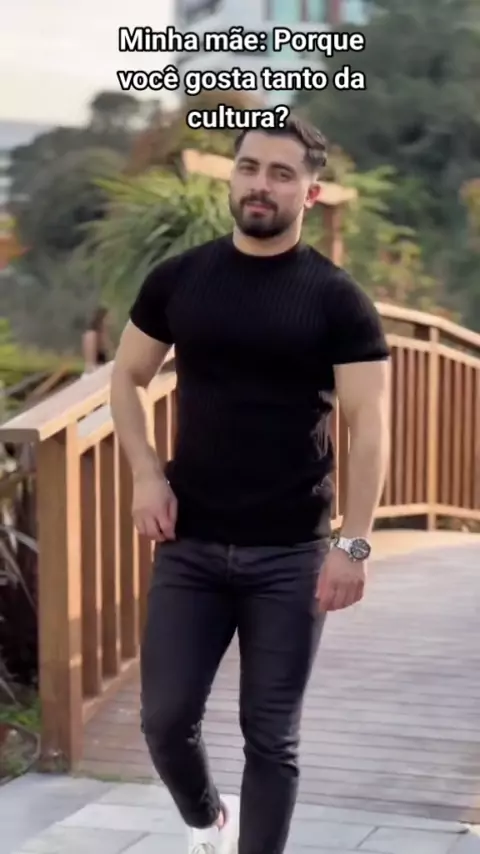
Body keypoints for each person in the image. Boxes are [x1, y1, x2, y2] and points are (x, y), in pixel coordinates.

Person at [110, 116, 391, 854]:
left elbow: (368, 425)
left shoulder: (337, 299)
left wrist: (354, 545)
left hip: (292, 554)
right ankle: (208, 820)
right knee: (164, 720)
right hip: (190, 543)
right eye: (249, 167)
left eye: (281, 173)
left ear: (310, 192)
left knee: (271, 737)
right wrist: (145, 474)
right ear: (232, 176)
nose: (261, 185)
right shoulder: (180, 279)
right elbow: (128, 376)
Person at [81, 305, 111, 374]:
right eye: (108, 318)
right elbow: (90, 363)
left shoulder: (104, 335)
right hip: (93, 373)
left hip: (102, 371)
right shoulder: (92, 334)